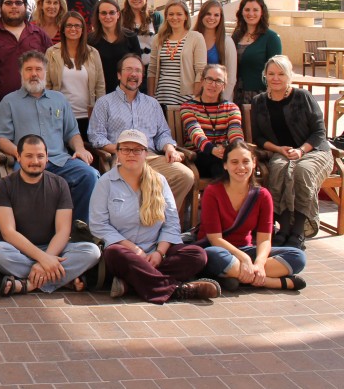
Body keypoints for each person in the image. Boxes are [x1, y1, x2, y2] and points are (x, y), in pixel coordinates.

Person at [88, 129, 220, 303]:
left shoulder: (159, 181)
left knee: (197, 255)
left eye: (137, 150)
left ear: (146, 153)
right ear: (118, 153)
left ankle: (133, 283)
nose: (131, 154)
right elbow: (99, 225)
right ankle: (179, 290)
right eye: (125, 149)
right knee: (114, 254)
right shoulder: (105, 183)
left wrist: (159, 252)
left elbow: (171, 223)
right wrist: (134, 250)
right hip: (125, 252)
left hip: (156, 251)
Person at [0, 134, 101, 295]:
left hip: (54, 249)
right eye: (29, 156)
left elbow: (63, 231)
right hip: (18, 250)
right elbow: (8, 232)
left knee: (92, 252)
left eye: (40, 156)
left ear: (47, 158)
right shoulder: (4, 186)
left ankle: (28, 284)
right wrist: (44, 260)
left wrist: (45, 260)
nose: (35, 161)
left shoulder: (59, 184)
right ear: (18, 157)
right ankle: (60, 279)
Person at [0, 51, 99, 222]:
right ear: (21, 73)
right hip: (26, 161)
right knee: (19, 184)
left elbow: (72, 132)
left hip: (60, 160)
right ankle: (27, 233)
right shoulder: (9, 101)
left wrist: (80, 149)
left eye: (38, 69)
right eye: (28, 69)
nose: (34, 74)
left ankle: (79, 228)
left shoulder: (59, 99)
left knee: (90, 175)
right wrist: (19, 155)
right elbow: (2, 138)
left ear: (46, 72)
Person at [88, 54, 194, 219]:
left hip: (150, 157)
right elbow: (96, 137)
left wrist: (170, 148)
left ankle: (159, 220)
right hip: (123, 157)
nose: (134, 74)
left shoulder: (152, 104)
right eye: (129, 69)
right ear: (118, 75)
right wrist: (122, 149)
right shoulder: (105, 103)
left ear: (142, 77)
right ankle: (138, 222)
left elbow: (162, 134)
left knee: (185, 176)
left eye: (138, 70)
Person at [199, 140, 307, 292]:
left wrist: (259, 264)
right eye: (234, 162)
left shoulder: (262, 195)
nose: (241, 167)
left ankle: (237, 277)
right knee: (212, 256)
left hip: (247, 250)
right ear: (225, 165)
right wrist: (243, 259)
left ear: (254, 163)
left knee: (298, 256)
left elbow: (264, 239)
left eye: (245, 161)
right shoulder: (212, 192)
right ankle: (271, 282)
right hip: (220, 249)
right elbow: (215, 239)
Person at [251, 55, 334, 249]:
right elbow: (258, 138)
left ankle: (298, 231)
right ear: (265, 76)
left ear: (289, 76)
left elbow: (319, 132)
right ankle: (284, 227)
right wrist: (279, 149)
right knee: (279, 170)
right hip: (282, 151)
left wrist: (301, 150)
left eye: (281, 74)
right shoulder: (259, 101)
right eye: (271, 74)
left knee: (301, 172)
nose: (276, 78)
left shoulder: (303, 97)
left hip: (313, 150)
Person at [0, 0, 53, 114]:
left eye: (18, 3)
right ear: (0, 7)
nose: (14, 6)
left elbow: (52, 68)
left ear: (26, 6)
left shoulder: (39, 34)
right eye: (8, 3)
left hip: (35, 108)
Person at [45, 12, 106, 138]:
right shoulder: (52, 53)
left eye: (77, 26)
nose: (73, 29)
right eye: (69, 25)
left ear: (83, 30)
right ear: (62, 29)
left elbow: (100, 86)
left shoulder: (93, 53)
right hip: (60, 116)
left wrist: (100, 114)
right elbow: (46, 85)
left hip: (87, 116)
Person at [179, 64, 245, 178]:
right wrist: (212, 149)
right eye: (209, 79)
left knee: (236, 164)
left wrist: (234, 148)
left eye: (218, 81)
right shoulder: (188, 107)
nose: (213, 85)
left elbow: (235, 132)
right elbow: (195, 133)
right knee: (220, 165)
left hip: (226, 155)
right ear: (202, 81)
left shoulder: (232, 108)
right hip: (198, 156)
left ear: (224, 86)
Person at [148, 0, 206, 110]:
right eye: (171, 14)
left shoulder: (196, 37)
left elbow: (201, 71)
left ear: (186, 16)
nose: (175, 18)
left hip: (186, 99)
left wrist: (195, 98)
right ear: (166, 16)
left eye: (179, 14)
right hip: (161, 97)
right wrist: (151, 97)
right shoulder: (158, 38)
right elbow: (152, 69)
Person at [232, 0, 282, 107]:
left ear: (262, 12)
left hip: (260, 96)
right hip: (236, 94)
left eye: (255, 10)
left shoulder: (271, 38)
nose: (251, 14)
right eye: (247, 10)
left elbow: (276, 70)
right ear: (241, 12)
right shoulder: (236, 36)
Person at [88, 0, 142, 93]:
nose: (107, 16)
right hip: (99, 93)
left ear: (118, 15)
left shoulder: (130, 37)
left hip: (126, 93)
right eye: (103, 13)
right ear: (98, 16)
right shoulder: (90, 40)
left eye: (112, 13)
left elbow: (138, 68)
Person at [192, 0, 237, 102]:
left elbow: (231, 78)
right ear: (201, 15)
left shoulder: (227, 42)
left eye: (216, 15)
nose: (212, 18)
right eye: (208, 14)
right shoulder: (192, 38)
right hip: (194, 100)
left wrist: (221, 100)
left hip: (218, 102)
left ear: (221, 18)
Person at [120, 0, 161, 82]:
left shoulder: (155, 17)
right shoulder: (120, 17)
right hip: (127, 70)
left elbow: (161, 42)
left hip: (150, 70)